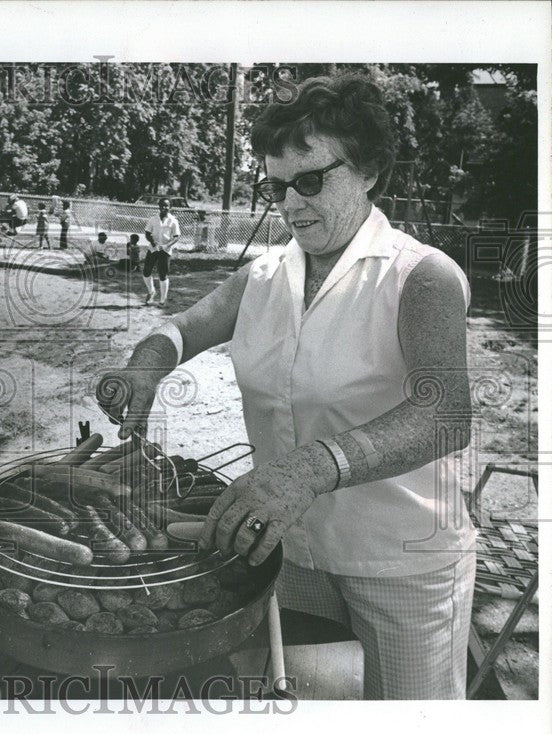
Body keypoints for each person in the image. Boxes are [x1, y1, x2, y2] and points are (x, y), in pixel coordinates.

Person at [96, 73, 475, 700]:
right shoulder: (265, 275)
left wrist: (308, 469)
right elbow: (182, 328)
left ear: (371, 170)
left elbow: (446, 415)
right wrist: (145, 365)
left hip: (402, 563)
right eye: (277, 186)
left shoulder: (421, 277)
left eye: (311, 179)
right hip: (290, 552)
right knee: (309, 721)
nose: (291, 205)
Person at [143, 198, 181, 306]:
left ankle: (162, 299)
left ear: (170, 207)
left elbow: (177, 236)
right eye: (162, 205)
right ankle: (151, 292)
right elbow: (147, 233)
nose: (164, 208)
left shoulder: (173, 221)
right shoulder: (153, 219)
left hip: (165, 250)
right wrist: (154, 243)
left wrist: (166, 246)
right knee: (146, 271)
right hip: (154, 248)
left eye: (166, 206)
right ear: (159, 206)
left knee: (163, 274)